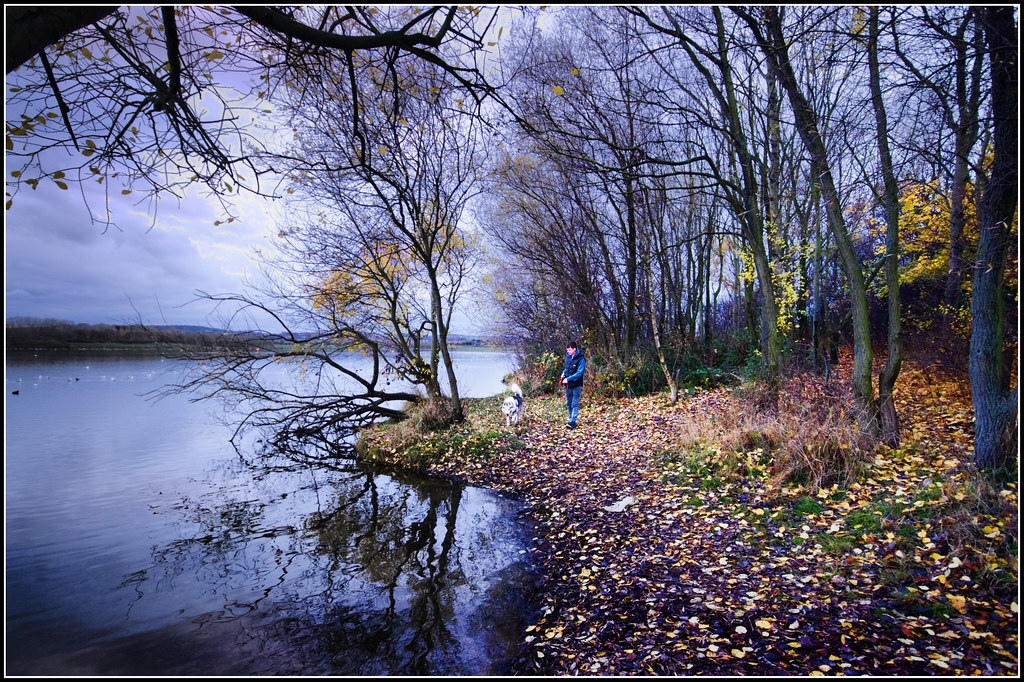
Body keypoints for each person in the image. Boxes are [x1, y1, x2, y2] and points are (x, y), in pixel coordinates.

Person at [560, 340, 586, 429]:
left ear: (574, 349)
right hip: (568, 385)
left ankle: (573, 421)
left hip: (576, 384)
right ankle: (570, 420)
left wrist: (568, 379)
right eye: (567, 350)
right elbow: (567, 368)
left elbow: (580, 373)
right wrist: (563, 373)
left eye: (570, 350)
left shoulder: (581, 359)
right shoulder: (567, 357)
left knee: (575, 403)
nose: (568, 352)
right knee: (568, 403)